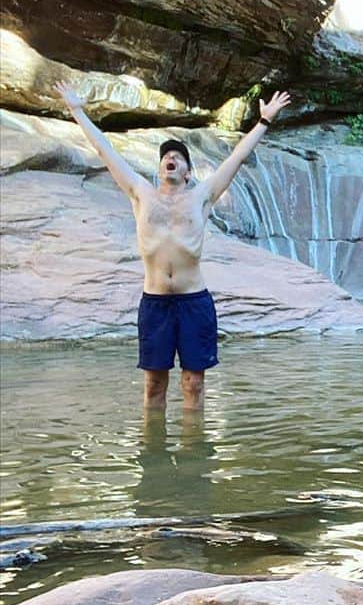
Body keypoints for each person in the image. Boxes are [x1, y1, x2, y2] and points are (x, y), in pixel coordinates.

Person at [55, 80, 290, 410]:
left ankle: (193, 457)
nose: (171, 159)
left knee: (193, 384)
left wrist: (263, 121)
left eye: (179, 157)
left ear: (188, 173)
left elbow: (238, 157)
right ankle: (154, 459)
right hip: (155, 304)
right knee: (153, 386)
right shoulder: (141, 193)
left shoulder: (202, 197)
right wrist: (76, 109)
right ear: (159, 167)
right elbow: (104, 151)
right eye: (167, 156)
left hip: (194, 301)